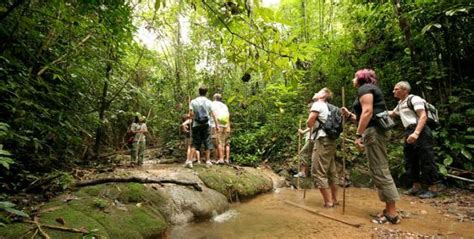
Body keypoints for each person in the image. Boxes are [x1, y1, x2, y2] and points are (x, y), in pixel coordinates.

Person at [341, 69, 400, 224]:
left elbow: (367, 112)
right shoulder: (368, 89)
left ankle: (392, 213)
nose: (353, 79)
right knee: (378, 168)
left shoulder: (364, 88)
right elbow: (364, 117)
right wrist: (349, 115)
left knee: (380, 169)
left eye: (355, 76)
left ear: (361, 78)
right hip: (376, 130)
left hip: (374, 132)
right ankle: (388, 209)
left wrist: (358, 135)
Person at [389, 81, 440, 199]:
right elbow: (392, 113)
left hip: (420, 130)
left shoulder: (415, 99)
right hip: (408, 131)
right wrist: (375, 113)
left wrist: (416, 133)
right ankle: (416, 186)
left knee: (426, 158)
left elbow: (423, 116)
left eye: (396, 89)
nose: (394, 91)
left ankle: (433, 188)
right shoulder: (401, 103)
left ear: (404, 90)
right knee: (410, 159)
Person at [306, 88, 339, 208]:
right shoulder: (332, 107)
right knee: (331, 171)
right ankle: (334, 199)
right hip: (331, 140)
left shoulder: (318, 104)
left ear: (323, 96)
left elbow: (310, 122)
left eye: (319, 91)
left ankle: (328, 202)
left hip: (322, 140)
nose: (315, 92)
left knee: (317, 172)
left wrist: (309, 124)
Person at [185, 86, 219, 168]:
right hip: (206, 125)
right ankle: (207, 161)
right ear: (206, 92)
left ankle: (189, 161)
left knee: (195, 142)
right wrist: (217, 125)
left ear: (199, 92)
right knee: (207, 142)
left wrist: (189, 116)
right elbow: (213, 114)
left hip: (196, 125)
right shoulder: (209, 102)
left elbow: (191, 115)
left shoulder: (193, 101)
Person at [295, 102, 315, 178]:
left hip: (312, 139)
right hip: (311, 138)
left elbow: (312, 127)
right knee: (309, 155)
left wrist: (303, 131)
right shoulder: (314, 115)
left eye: (309, 108)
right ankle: (306, 173)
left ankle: (303, 172)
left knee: (302, 153)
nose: (308, 110)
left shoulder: (314, 115)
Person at [211, 93, 231, 164]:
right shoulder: (224, 105)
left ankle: (221, 159)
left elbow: (213, 114)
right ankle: (223, 158)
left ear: (214, 98)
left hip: (217, 124)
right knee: (222, 142)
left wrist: (216, 124)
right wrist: (228, 126)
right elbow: (228, 115)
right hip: (225, 125)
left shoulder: (213, 104)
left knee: (218, 142)